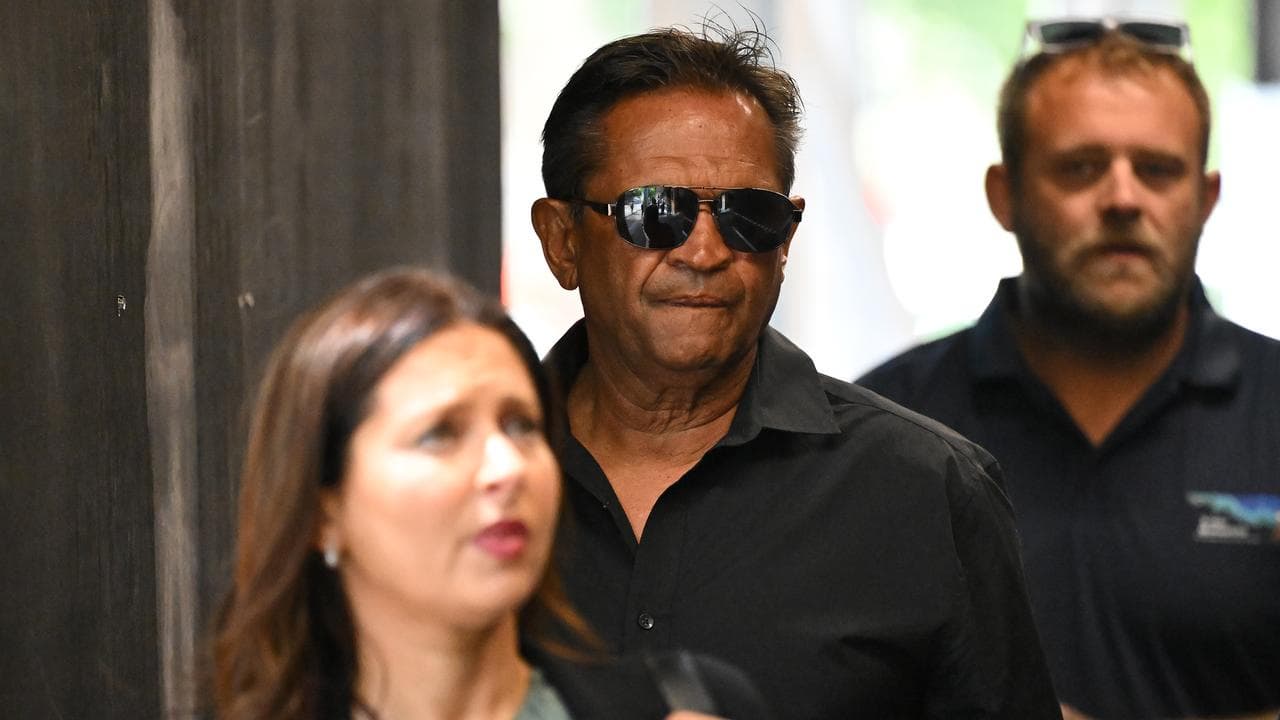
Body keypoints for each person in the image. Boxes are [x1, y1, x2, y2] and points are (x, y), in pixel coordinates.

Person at [528, 26, 1061, 718]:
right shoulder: (467, 482)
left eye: (748, 215)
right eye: (656, 213)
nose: (704, 251)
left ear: (785, 240)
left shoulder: (928, 491)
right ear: (562, 240)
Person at [858, 19, 1280, 720]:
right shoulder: (884, 431)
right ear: (1005, 195)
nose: (1123, 199)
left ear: (1205, 200)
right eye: (1080, 167)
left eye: (1158, 169)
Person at [211, 267, 773, 720]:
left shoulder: (687, 706)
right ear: (323, 511)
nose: (507, 468)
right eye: (440, 435)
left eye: (522, 426)